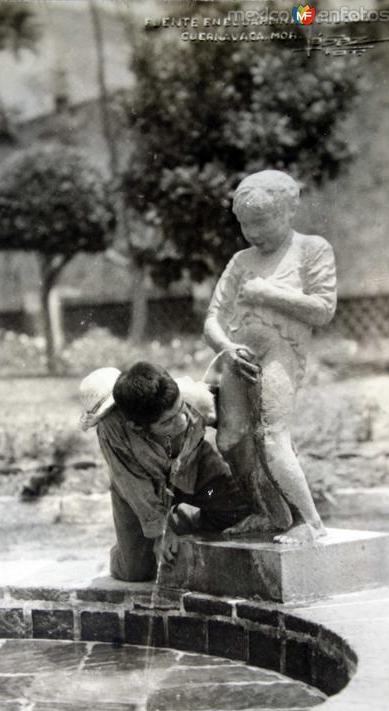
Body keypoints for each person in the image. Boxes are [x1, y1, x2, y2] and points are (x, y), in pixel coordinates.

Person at [204, 169, 337, 544]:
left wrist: (266, 294)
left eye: (260, 222)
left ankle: (310, 523)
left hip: (281, 349)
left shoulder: (312, 249)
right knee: (230, 439)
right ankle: (269, 513)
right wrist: (225, 348)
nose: (252, 233)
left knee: (271, 435)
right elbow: (212, 317)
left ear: (286, 212)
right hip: (238, 355)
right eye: (245, 225)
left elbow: (323, 309)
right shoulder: (241, 260)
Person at [79, 362, 250, 582]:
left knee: (236, 508)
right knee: (136, 571)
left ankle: (183, 519)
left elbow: (241, 424)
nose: (182, 420)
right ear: (136, 426)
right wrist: (160, 532)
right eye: (168, 421)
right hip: (139, 493)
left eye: (180, 409)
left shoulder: (191, 395)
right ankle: (135, 541)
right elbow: (133, 484)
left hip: (194, 472)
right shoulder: (111, 429)